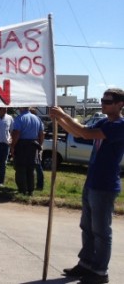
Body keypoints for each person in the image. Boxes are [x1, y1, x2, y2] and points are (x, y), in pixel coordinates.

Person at [51, 88, 124, 284]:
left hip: (105, 184)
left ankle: (100, 271)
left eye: (109, 101)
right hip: (92, 180)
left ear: (120, 104)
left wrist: (63, 115)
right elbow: (79, 132)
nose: (104, 103)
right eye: (103, 100)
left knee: (101, 230)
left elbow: (85, 133)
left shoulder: (119, 126)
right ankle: (86, 263)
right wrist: (59, 119)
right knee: (87, 226)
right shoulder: (104, 121)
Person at [10, 107, 44, 196]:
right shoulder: (37, 118)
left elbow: (16, 133)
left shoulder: (19, 118)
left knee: (21, 168)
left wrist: (12, 146)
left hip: (22, 144)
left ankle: (22, 190)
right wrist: (40, 145)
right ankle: (30, 190)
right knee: (31, 169)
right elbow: (41, 134)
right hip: (33, 144)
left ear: (21, 107)